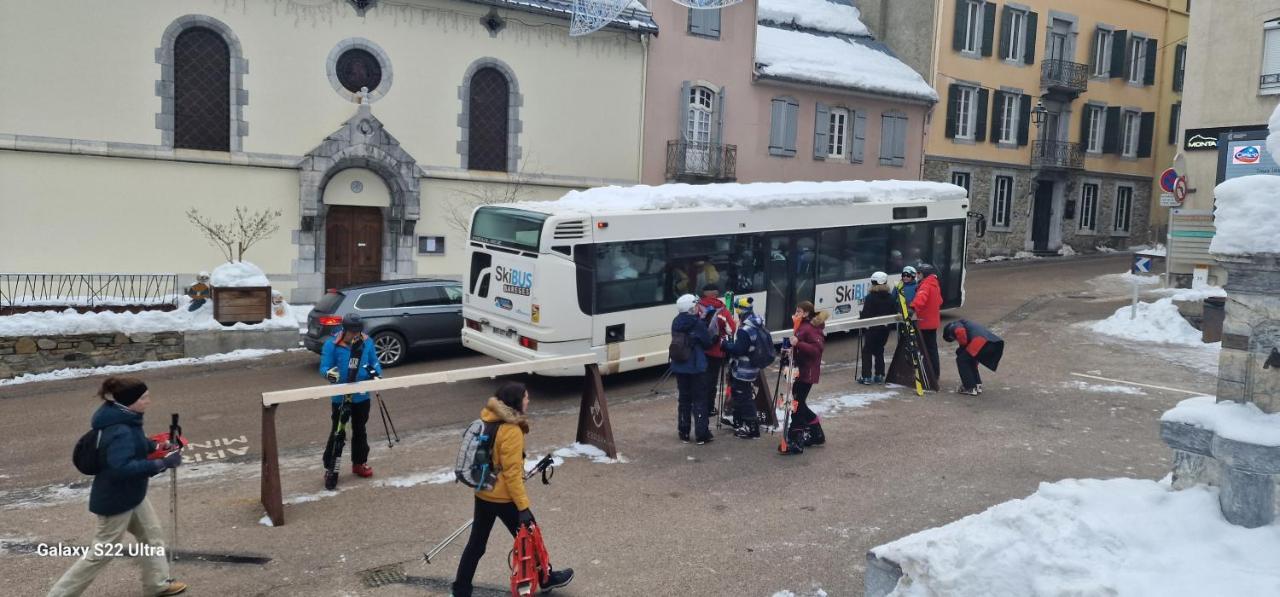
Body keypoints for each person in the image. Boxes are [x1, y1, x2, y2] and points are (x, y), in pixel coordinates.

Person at [48, 377, 188, 597]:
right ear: (130, 401)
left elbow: (136, 445)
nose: (148, 401)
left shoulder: (126, 417)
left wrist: (159, 445)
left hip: (133, 495)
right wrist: (161, 464)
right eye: (144, 397)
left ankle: (157, 585)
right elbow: (121, 468)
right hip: (115, 501)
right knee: (101, 553)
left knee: (152, 536)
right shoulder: (119, 429)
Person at [452, 382, 573, 597]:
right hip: (504, 498)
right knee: (532, 536)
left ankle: (461, 590)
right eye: (526, 398)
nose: (529, 401)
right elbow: (512, 475)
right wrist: (523, 507)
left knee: (476, 545)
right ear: (517, 402)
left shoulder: (488, 418)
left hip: (483, 492)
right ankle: (546, 578)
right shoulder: (511, 430)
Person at [320, 313, 382, 487]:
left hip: (361, 394)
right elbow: (324, 367)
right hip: (341, 396)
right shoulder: (332, 344)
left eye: (358, 331)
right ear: (345, 329)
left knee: (360, 429)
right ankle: (330, 466)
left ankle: (359, 462)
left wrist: (374, 373)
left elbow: (374, 362)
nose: (355, 335)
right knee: (337, 431)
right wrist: (330, 374)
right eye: (352, 331)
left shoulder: (367, 342)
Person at [670, 293, 715, 444]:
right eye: (695, 305)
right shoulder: (697, 323)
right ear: (690, 309)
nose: (698, 307)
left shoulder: (676, 322)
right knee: (699, 400)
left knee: (684, 400)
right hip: (696, 367)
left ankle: (683, 432)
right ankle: (702, 434)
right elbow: (707, 342)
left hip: (679, 365)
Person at [720, 296, 767, 439]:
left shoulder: (745, 329)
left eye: (737, 309)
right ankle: (740, 421)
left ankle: (752, 428)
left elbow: (739, 350)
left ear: (740, 311)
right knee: (740, 395)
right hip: (750, 367)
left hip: (743, 370)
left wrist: (725, 344)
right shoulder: (756, 323)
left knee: (744, 397)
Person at [789, 301, 827, 446]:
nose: (796, 313)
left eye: (799, 311)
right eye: (796, 310)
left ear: (806, 313)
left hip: (808, 372)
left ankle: (808, 428)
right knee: (797, 402)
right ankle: (810, 430)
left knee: (797, 403)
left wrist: (798, 343)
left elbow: (817, 350)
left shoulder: (810, 328)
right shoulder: (801, 326)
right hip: (800, 370)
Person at [698, 284, 735, 423]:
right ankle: (709, 407)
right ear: (716, 294)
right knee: (712, 380)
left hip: (700, 350)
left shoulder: (698, 307)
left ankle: (697, 405)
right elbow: (731, 329)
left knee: (700, 379)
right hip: (715, 351)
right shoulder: (722, 309)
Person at [944, 320, 1005, 395]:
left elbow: (960, 331)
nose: (956, 340)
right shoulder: (966, 323)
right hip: (992, 342)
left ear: (949, 334)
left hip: (979, 341)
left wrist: (962, 347)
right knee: (970, 360)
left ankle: (969, 388)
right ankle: (977, 385)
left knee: (962, 360)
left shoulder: (955, 325)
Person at [858, 272, 898, 384]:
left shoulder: (870, 297)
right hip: (884, 330)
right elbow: (893, 313)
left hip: (872, 329)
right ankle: (879, 375)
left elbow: (866, 314)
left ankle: (866, 376)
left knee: (867, 351)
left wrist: (861, 318)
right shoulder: (890, 297)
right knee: (879, 350)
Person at [910, 263, 944, 384]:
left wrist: (912, 308)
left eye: (918, 273)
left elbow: (920, 299)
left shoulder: (925, 285)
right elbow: (940, 301)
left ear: (924, 274)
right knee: (932, 349)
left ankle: (928, 375)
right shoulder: (934, 284)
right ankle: (935, 373)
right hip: (932, 322)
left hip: (924, 323)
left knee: (924, 350)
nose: (916, 275)